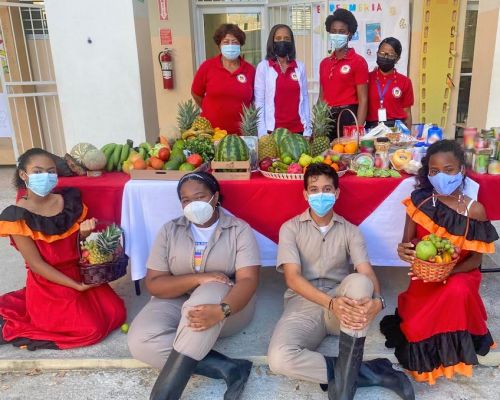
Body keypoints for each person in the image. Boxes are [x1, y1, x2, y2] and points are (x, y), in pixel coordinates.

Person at [268, 163, 414, 400]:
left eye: (327, 189)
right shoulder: (290, 228)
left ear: (337, 193)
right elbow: (292, 278)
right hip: (304, 302)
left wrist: (378, 301)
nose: (320, 194)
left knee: (359, 282)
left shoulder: (351, 231)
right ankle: (371, 372)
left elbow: (365, 271)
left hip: (342, 305)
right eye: (314, 189)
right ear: (305, 194)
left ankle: (344, 386)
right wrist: (330, 303)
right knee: (279, 359)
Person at [127, 172, 260, 400]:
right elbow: (155, 283)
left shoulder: (239, 230)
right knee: (140, 341)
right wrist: (198, 278)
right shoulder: (170, 230)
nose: (193, 204)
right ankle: (228, 368)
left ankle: (163, 396)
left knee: (207, 294)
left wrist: (222, 310)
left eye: (200, 197)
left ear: (215, 197)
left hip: (226, 306)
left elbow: (248, 280)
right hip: (177, 298)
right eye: (186, 200)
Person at [380, 140, 498, 385]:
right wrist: (405, 251)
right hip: (427, 276)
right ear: (427, 174)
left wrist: (449, 271)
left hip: (460, 274)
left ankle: (453, 352)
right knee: (415, 328)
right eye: (434, 171)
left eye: (449, 170)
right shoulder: (419, 202)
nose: (441, 176)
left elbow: (476, 258)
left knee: (456, 290)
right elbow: (407, 245)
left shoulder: (474, 210)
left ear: (462, 170)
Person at [0, 148, 126, 350]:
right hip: (48, 282)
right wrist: (75, 286)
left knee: (116, 312)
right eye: (38, 172)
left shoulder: (68, 201)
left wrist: (83, 234)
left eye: (51, 171)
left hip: (78, 271)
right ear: (24, 175)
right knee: (89, 330)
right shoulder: (17, 215)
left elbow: (71, 244)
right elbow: (36, 264)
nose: (46, 177)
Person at [191, 24, 256, 135]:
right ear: (219, 45)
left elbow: (254, 99)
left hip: (241, 135)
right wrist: (210, 109)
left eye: (235, 42)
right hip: (210, 133)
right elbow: (196, 93)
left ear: (240, 45)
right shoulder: (207, 67)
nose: (230, 45)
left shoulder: (250, 70)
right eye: (226, 42)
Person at [319, 9, 369, 140]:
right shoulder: (324, 63)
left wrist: (357, 130)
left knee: (347, 158)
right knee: (327, 158)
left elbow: (363, 99)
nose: (337, 35)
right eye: (333, 31)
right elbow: (321, 96)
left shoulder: (358, 62)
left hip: (348, 116)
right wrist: (318, 124)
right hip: (327, 119)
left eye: (342, 32)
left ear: (350, 34)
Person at [254, 24, 311, 136]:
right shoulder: (264, 67)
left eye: (286, 39)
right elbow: (259, 103)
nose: (282, 41)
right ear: (272, 41)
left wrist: (307, 130)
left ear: (291, 42)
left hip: (297, 131)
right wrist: (262, 133)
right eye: (278, 38)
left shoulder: (299, 67)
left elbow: (305, 100)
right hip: (272, 132)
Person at [366, 37, 414, 129]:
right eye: (382, 53)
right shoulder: (367, 79)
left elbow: (407, 111)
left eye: (391, 54)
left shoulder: (405, 81)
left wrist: (408, 135)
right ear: (377, 53)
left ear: (397, 58)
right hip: (372, 129)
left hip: (396, 129)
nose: (385, 57)